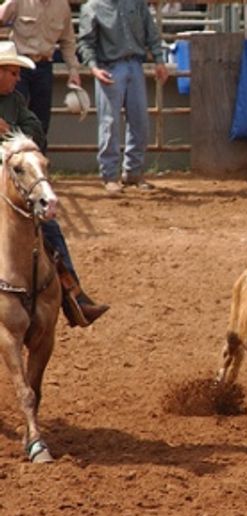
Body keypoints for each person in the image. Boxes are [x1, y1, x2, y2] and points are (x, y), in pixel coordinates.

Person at [0, 42, 109, 327]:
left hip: (15, 183)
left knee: (50, 227)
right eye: (12, 72)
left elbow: (36, 129)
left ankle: (74, 296)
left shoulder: (15, 102)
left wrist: (11, 133)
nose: (18, 79)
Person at [77, 0, 169, 194]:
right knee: (109, 123)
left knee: (139, 121)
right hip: (109, 66)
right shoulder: (93, 7)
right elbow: (85, 42)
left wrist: (159, 60)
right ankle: (110, 175)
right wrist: (94, 68)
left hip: (133, 64)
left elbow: (151, 31)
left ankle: (132, 172)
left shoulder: (136, 3)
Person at [0, 0, 82, 154]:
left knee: (40, 119)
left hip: (43, 65)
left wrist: (73, 70)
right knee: (11, 110)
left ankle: (37, 163)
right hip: (18, 63)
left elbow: (68, 40)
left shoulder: (62, 6)